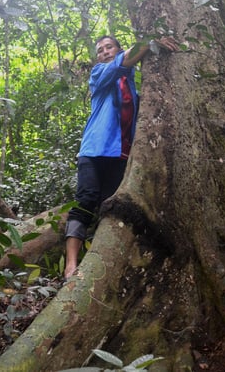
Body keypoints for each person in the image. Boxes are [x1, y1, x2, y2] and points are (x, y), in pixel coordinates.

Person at [64, 34, 179, 279]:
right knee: (85, 202)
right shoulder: (99, 74)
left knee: (111, 207)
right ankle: (71, 265)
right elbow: (123, 61)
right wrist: (151, 42)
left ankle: (100, 260)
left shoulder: (135, 85)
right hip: (94, 151)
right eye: (100, 50)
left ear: (118, 47)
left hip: (120, 156)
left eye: (109, 47)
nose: (105, 52)